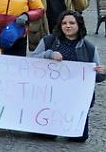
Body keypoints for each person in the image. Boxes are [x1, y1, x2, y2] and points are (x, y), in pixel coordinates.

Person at [30, 10, 106, 142]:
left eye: (72, 23)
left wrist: (102, 73)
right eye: (64, 23)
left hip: (76, 98)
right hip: (50, 95)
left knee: (79, 138)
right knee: (47, 136)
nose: (68, 26)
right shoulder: (48, 41)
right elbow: (32, 61)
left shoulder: (89, 48)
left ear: (79, 25)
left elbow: (96, 78)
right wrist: (49, 54)